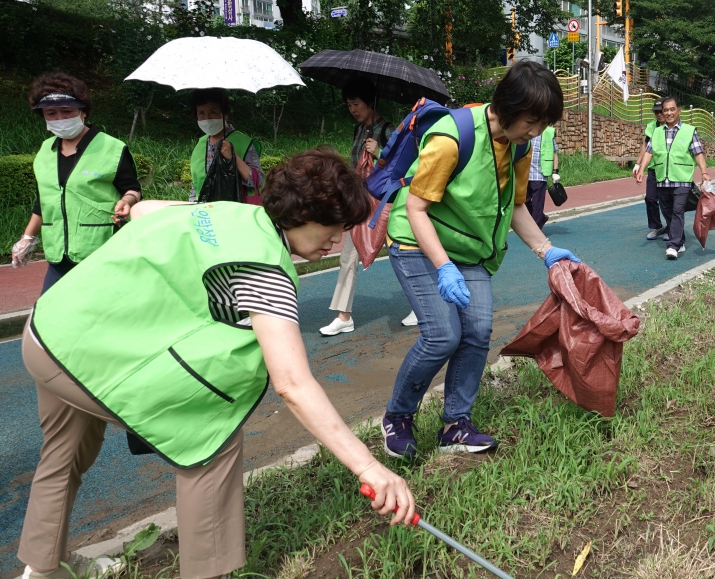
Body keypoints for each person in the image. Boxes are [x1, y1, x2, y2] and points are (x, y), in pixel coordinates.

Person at [18, 148, 416, 579]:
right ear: (301, 214)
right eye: (333, 227)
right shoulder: (265, 270)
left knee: (62, 456)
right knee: (212, 438)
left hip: (49, 330)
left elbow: (144, 210)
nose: (337, 240)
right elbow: (293, 384)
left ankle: (41, 569)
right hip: (86, 357)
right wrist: (370, 467)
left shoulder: (228, 213)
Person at [381, 60, 579, 459]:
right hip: (419, 242)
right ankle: (398, 417)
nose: (537, 132)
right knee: (442, 335)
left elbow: (517, 205)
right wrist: (443, 267)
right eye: (532, 121)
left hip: (470, 251)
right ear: (507, 107)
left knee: (477, 332)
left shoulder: (518, 144)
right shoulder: (452, 137)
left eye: (543, 124)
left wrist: (546, 251)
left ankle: (456, 424)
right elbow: (417, 210)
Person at [11, 73, 142, 293]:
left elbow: (133, 189)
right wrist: (27, 237)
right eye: (51, 113)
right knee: (49, 312)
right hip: (57, 253)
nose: (60, 119)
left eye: (67, 112)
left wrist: (127, 201)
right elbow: (44, 199)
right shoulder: (45, 150)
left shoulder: (112, 148)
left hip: (99, 251)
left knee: (97, 316)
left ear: (83, 111)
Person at [320, 79, 396, 336]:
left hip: (385, 205)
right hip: (361, 203)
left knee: (402, 256)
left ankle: (423, 306)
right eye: (349, 105)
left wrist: (380, 152)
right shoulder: (358, 130)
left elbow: (402, 167)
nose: (352, 109)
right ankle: (344, 316)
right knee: (348, 257)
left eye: (356, 104)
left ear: (370, 102)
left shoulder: (388, 131)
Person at [633, 96, 711, 260]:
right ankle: (679, 238)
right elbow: (649, 152)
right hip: (662, 178)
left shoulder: (689, 130)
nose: (668, 113)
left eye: (671, 109)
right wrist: (641, 168)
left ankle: (673, 245)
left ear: (679, 110)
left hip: (682, 179)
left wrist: (704, 172)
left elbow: (698, 152)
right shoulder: (657, 131)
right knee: (667, 210)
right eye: (665, 110)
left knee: (677, 210)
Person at [188, 88, 263, 202]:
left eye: (212, 112)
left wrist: (233, 157)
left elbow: (258, 182)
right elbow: (196, 185)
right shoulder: (200, 145)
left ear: (225, 114)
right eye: (201, 113)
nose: (207, 118)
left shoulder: (244, 143)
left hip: (236, 211)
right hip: (205, 214)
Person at [635, 98, 668, 240]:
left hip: (668, 169)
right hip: (654, 168)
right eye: (656, 112)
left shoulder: (673, 126)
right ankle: (656, 226)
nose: (659, 114)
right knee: (650, 198)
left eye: (661, 111)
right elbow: (645, 146)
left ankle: (672, 228)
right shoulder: (651, 126)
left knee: (667, 201)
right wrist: (638, 164)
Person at [523, 125, 560, 229]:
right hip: (525, 173)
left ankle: (536, 228)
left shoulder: (548, 132)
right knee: (523, 201)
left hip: (540, 173)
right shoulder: (524, 131)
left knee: (537, 203)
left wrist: (555, 171)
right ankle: (542, 218)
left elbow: (554, 153)